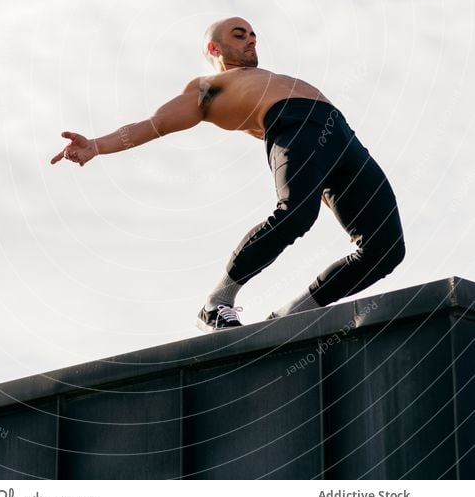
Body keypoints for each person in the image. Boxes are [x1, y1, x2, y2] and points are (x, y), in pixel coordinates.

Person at [51, 17, 405, 332]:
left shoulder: (266, 76)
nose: (251, 39)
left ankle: (290, 317)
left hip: (342, 137)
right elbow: (155, 124)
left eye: (253, 34)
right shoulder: (207, 88)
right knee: (296, 213)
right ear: (214, 47)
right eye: (240, 34)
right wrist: (97, 145)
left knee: (385, 248)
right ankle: (216, 304)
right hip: (293, 124)